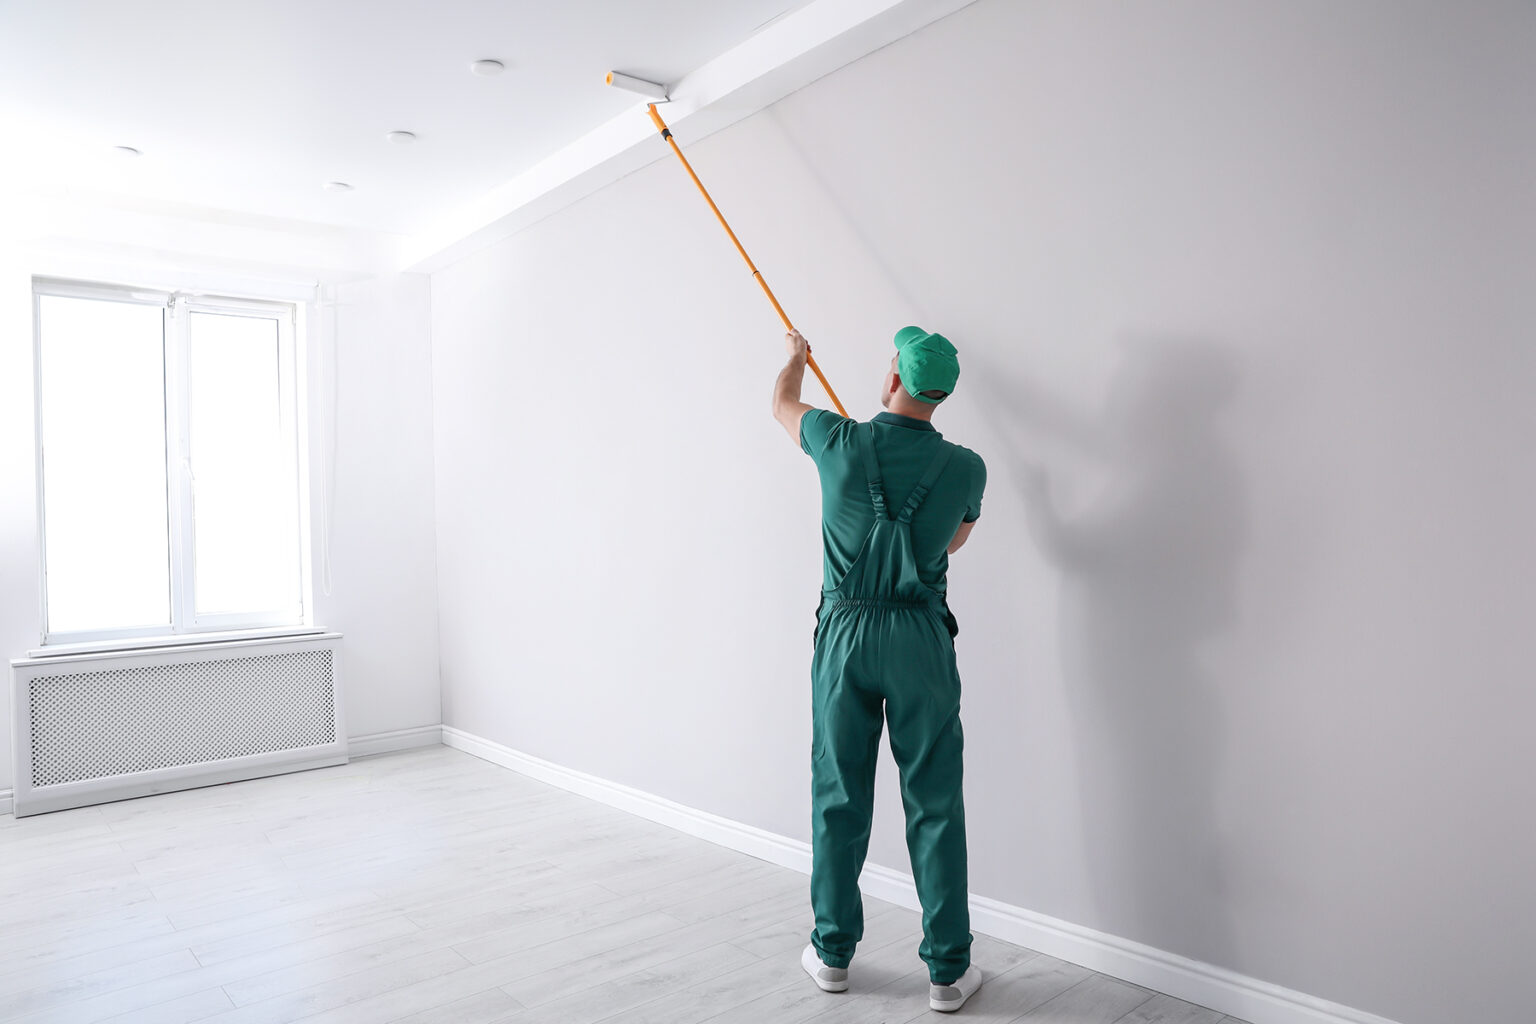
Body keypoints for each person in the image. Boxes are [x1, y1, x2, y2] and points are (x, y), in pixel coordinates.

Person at [772, 325, 987, 1013]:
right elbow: (954, 540)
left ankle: (832, 954)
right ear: (940, 392)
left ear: (894, 376)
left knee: (839, 795)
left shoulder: (836, 441)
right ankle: (948, 974)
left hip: (845, 637)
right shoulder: (967, 467)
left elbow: (779, 404)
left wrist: (797, 360)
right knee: (935, 800)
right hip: (920, 639)